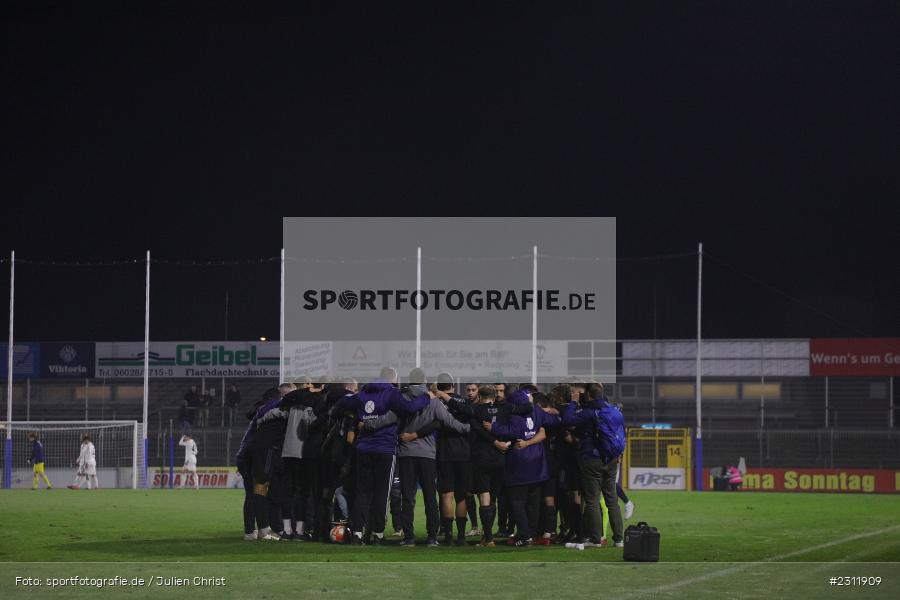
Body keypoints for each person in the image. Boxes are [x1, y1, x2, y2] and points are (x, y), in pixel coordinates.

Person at [335, 366, 431, 545]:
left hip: (363, 449)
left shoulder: (363, 393)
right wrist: (427, 397)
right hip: (385, 449)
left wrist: (358, 415)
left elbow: (343, 403)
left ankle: (357, 533)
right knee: (382, 493)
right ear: (393, 379)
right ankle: (377, 534)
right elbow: (409, 408)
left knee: (362, 492)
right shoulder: (392, 394)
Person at [486, 387, 559, 547]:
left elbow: (511, 431)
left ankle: (524, 536)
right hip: (538, 466)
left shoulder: (515, 415)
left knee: (517, 502)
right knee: (533, 503)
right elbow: (554, 421)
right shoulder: (537, 413)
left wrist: (493, 428)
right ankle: (530, 534)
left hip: (519, 465)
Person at [561, 382, 626, 548]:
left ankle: (596, 539)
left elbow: (567, 420)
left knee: (592, 500)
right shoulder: (613, 410)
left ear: (588, 395)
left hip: (592, 458)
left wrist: (574, 402)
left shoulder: (590, 412)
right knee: (612, 499)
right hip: (611, 459)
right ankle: (619, 539)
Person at [433, 372, 475, 546]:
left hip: (444, 452)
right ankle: (461, 536)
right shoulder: (463, 401)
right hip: (464, 453)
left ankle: (448, 536)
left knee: (446, 495)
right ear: (453, 385)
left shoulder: (435, 402)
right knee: (461, 495)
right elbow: (470, 412)